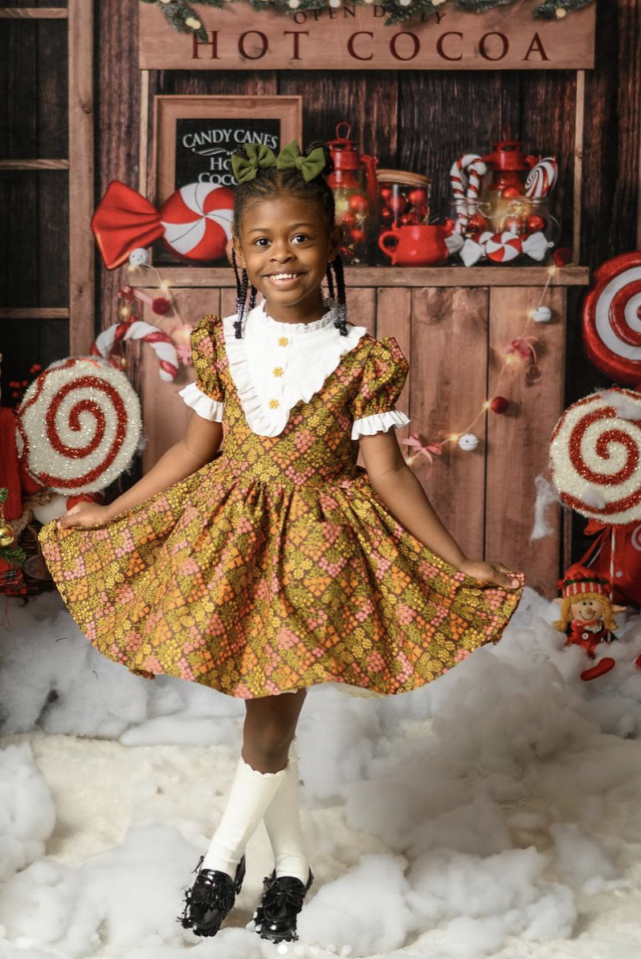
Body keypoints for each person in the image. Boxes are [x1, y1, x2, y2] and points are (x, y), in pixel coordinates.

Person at [38, 139, 525, 945]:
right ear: (237, 252)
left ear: (332, 246)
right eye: (262, 241)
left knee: (268, 719)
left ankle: (219, 859)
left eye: (300, 237)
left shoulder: (363, 357)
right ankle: (292, 864)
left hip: (317, 555)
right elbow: (194, 449)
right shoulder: (220, 347)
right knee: (270, 716)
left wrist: (455, 559)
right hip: (231, 540)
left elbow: (390, 472)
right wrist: (114, 512)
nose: (282, 256)